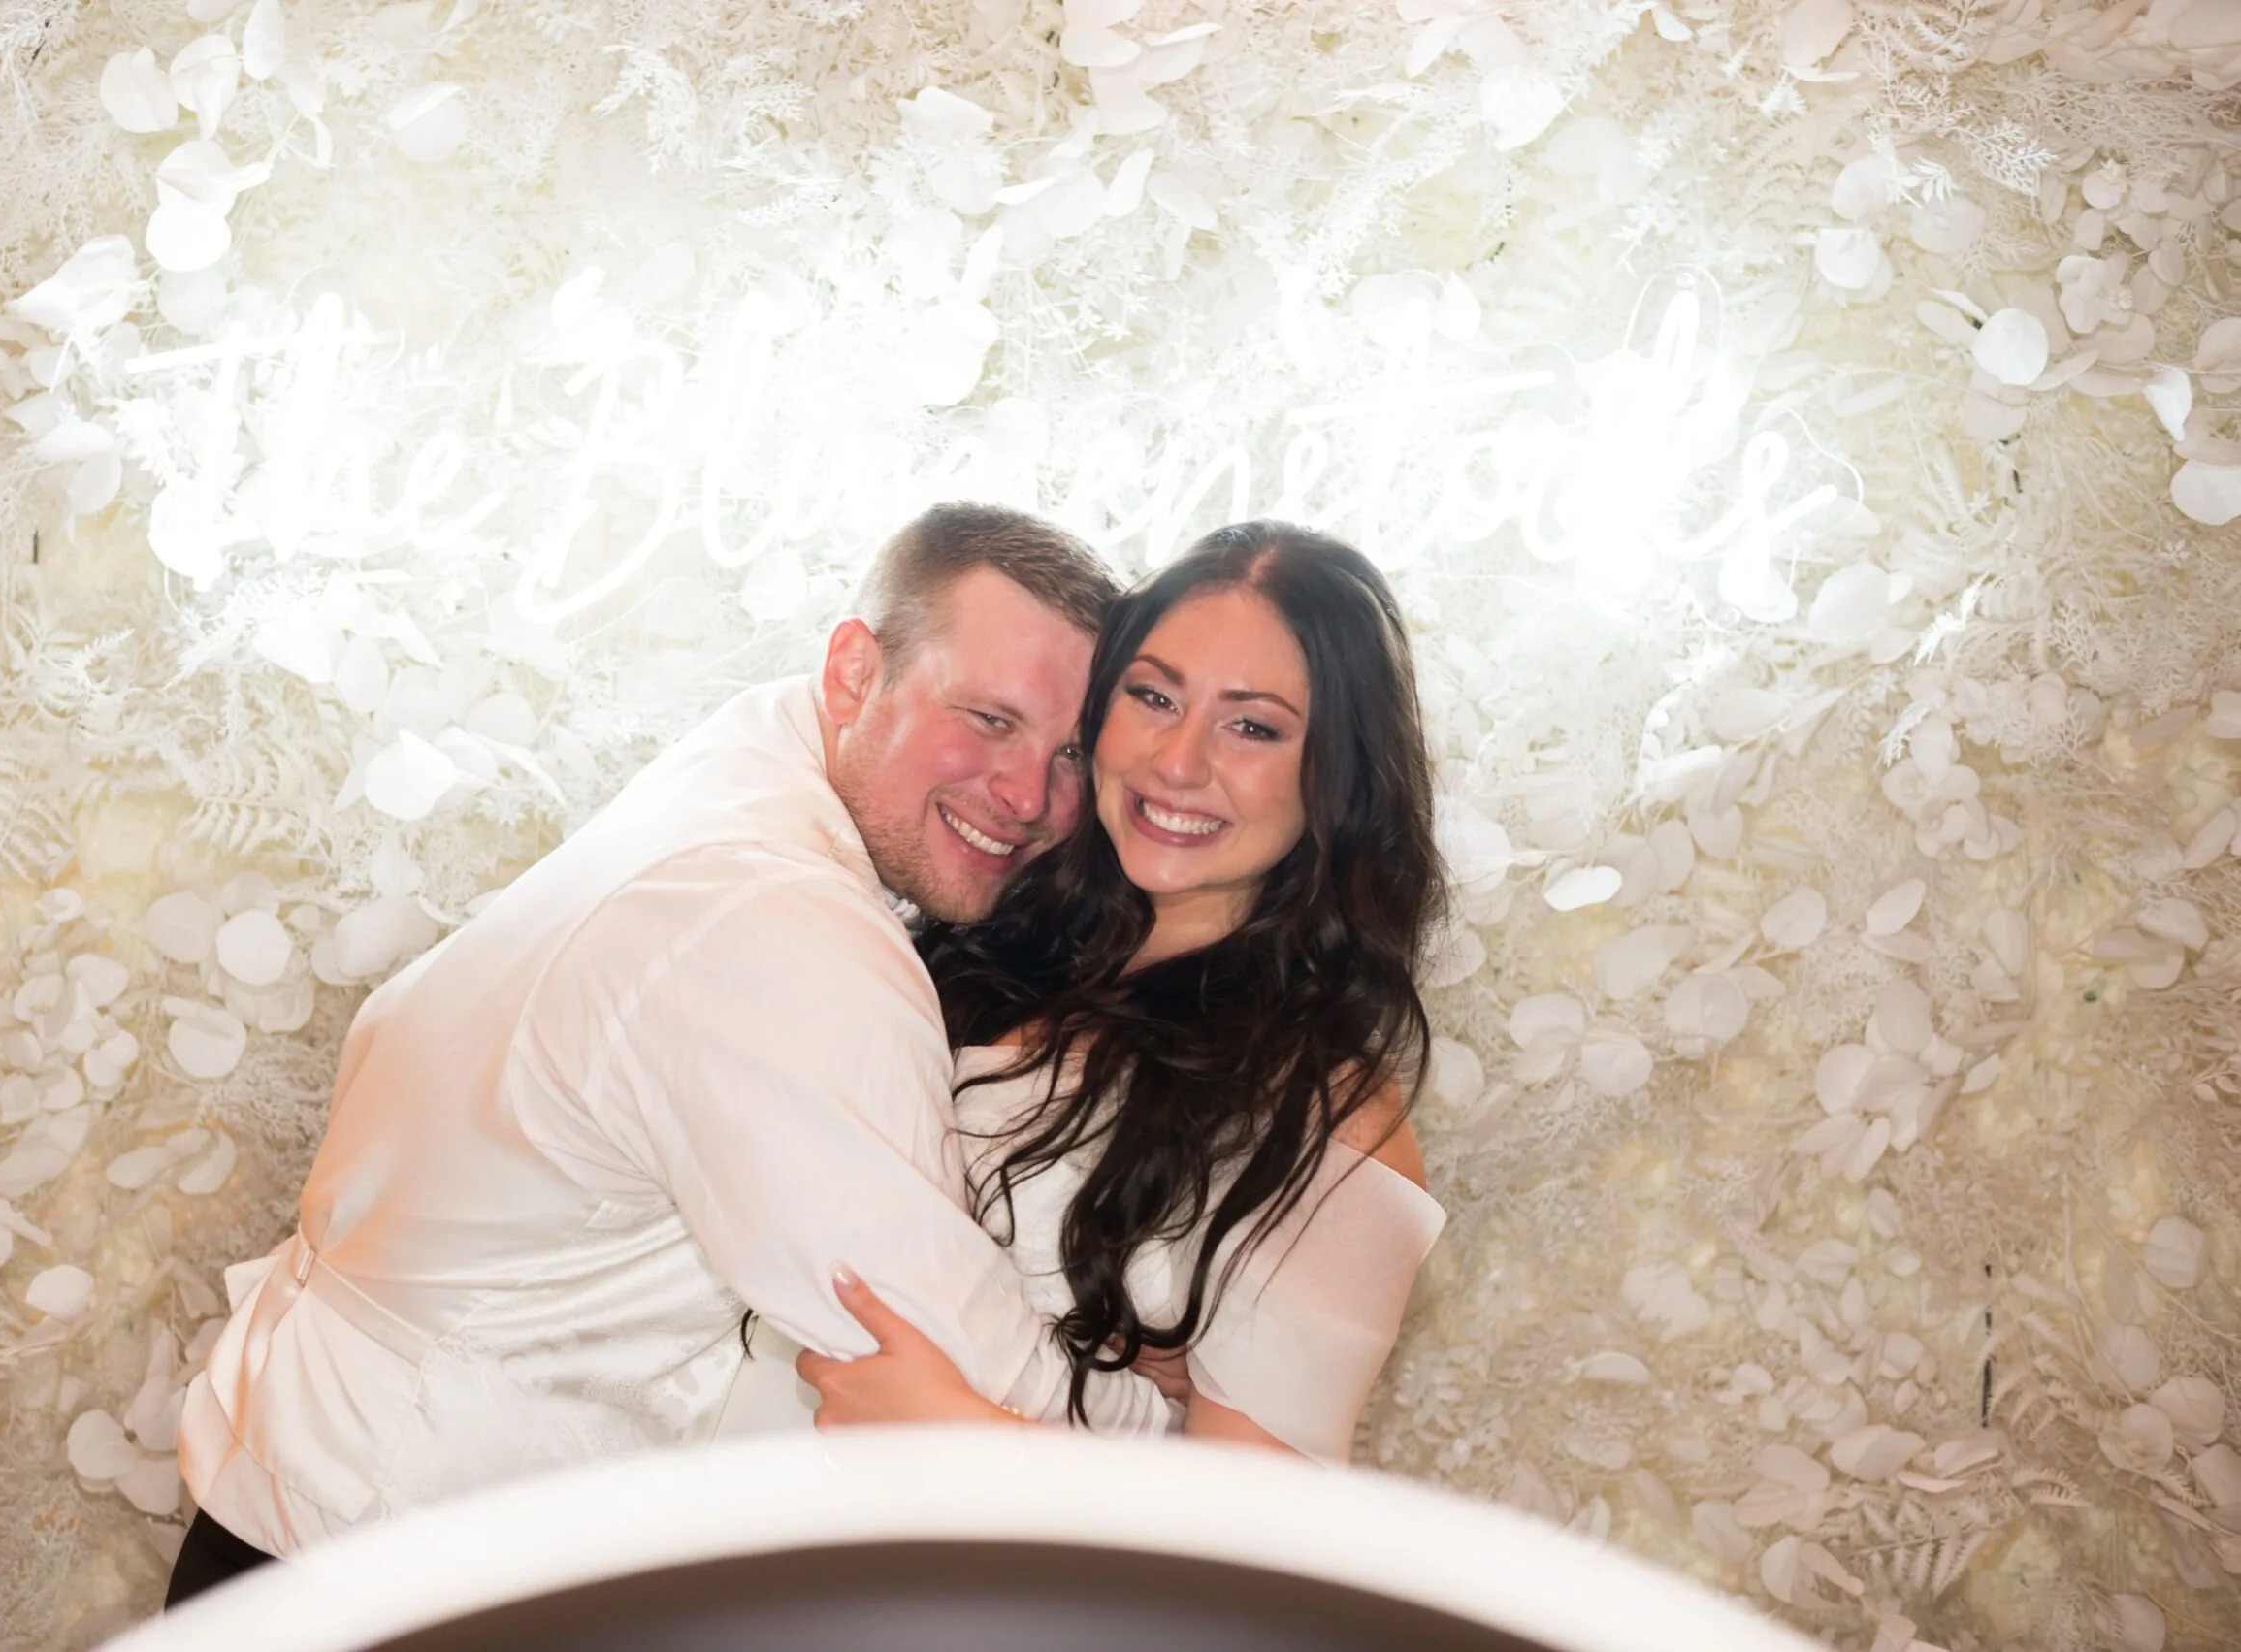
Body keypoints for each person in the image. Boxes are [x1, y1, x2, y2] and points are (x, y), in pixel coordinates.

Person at [166, 504, 1182, 1607]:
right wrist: (1174, 1432)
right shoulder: (778, 921)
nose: (1030, 797)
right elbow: (931, 1349)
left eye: (1071, 751)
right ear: (853, 669)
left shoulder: (741, 769)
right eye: (987, 718)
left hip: (309, 1526)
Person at [792, 522, 1450, 1462]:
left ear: (1335, 776)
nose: (1176, 761)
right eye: (1152, 695)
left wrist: (970, 1436)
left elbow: (1261, 1541)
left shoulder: (1334, 1118)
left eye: (1252, 725)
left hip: (980, 1590)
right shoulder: (961, 936)